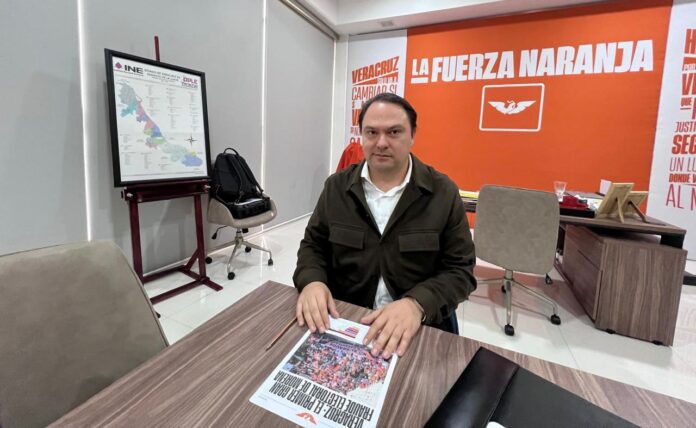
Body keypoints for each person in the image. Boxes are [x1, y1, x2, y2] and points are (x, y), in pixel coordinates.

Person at [293, 93, 476, 360]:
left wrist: (417, 304)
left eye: (394, 132)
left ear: (413, 135)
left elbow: (460, 270)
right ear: (362, 136)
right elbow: (313, 246)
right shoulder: (336, 187)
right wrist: (312, 282)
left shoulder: (443, 192)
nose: (381, 143)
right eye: (372, 132)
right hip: (347, 321)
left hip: (419, 329)